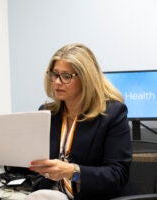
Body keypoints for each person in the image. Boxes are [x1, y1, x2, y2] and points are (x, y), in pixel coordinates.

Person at [28, 43, 132, 200]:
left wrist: (72, 172)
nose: (57, 82)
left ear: (86, 79)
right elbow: (34, 161)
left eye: (66, 76)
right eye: (55, 74)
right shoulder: (47, 113)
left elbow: (117, 176)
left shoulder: (112, 114)